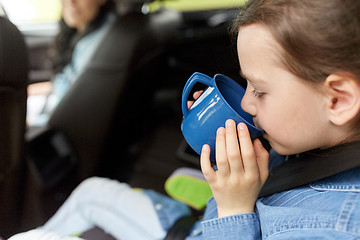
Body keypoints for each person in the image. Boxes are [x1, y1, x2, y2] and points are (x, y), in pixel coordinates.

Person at [10, 0, 360, 239]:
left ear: (338, 100)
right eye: (247, 84)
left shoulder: (335, 225)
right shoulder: (316, 144)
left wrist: (234, 207)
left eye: (261, 91)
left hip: (218, 222)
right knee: (91, 191)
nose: (248, 102)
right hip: (196, 225)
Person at [27, 0, 116, 126]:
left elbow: (74, 108)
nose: (70, 1)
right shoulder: (88, 34)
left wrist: (30, 123)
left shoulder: (99, 44)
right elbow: (71, 85)